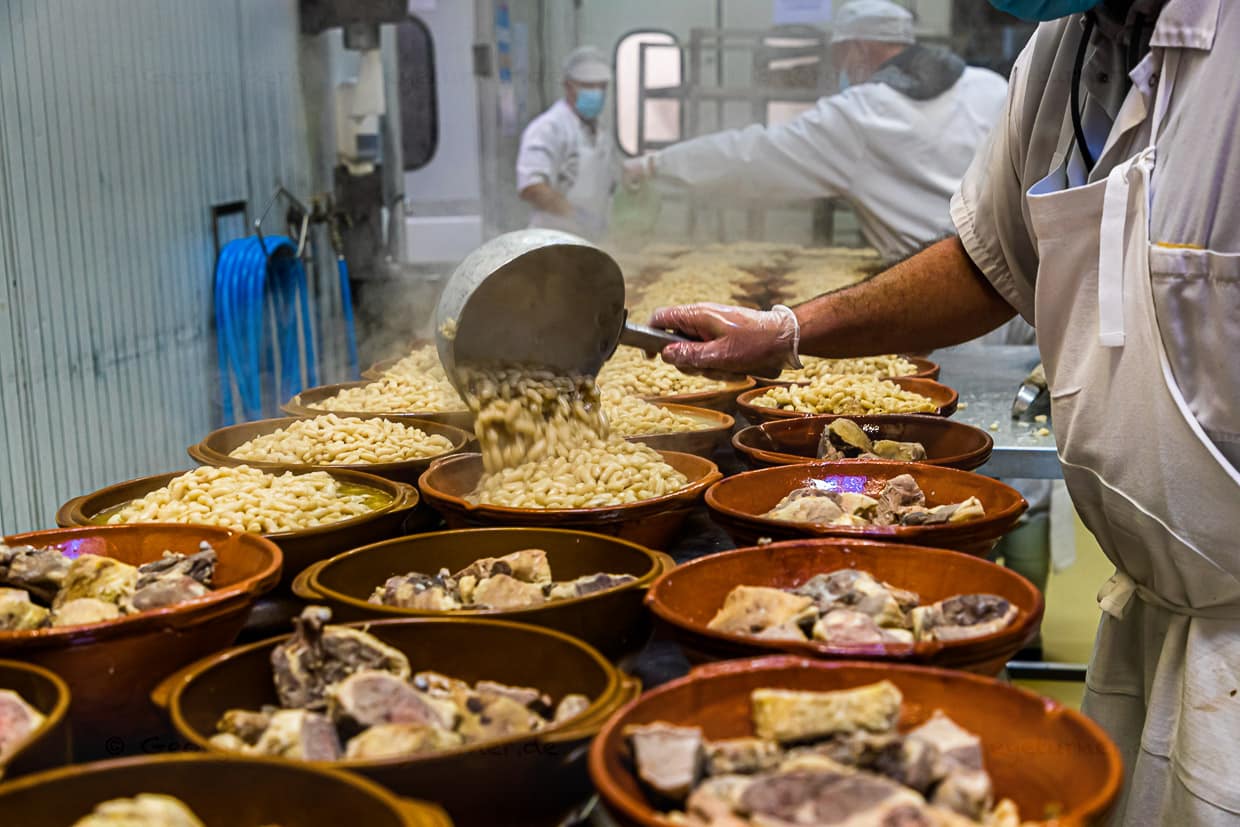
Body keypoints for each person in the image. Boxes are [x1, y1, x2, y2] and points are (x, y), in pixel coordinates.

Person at [651, 0, 1240, 823]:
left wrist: (646, 169)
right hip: (1158, 607)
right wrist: (789, 331)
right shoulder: (1063, 52)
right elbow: (989, 260)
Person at [623, 0, 1008, 262]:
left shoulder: (860, 117)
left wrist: (659, 162)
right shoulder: (990, 86)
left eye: (839, 55)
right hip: (1012, 298)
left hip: (940, 302)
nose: (839, 66)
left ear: (857, 50)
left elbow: (752, 158)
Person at [515, 46, 618, 240]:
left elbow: (607, 183)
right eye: (587, 86)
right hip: (552, 241)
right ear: (568, 86)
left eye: (601, 86)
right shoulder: (548, 128)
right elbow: (531, 188)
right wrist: (576, 216)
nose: (596, 93)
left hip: (590, 239)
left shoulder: (601, 133)